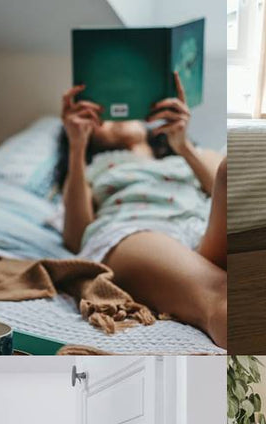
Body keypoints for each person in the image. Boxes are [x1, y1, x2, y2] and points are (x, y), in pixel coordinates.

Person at [56, 72, 228, 346]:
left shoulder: (190, 155)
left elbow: (221, 188)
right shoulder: (91, 169)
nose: (119, 117)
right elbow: (76, 237)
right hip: (140, 233)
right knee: (222, 292)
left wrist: (183, 146)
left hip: (203, 228)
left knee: (228, 170)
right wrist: (78, 147)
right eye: (105, 114)